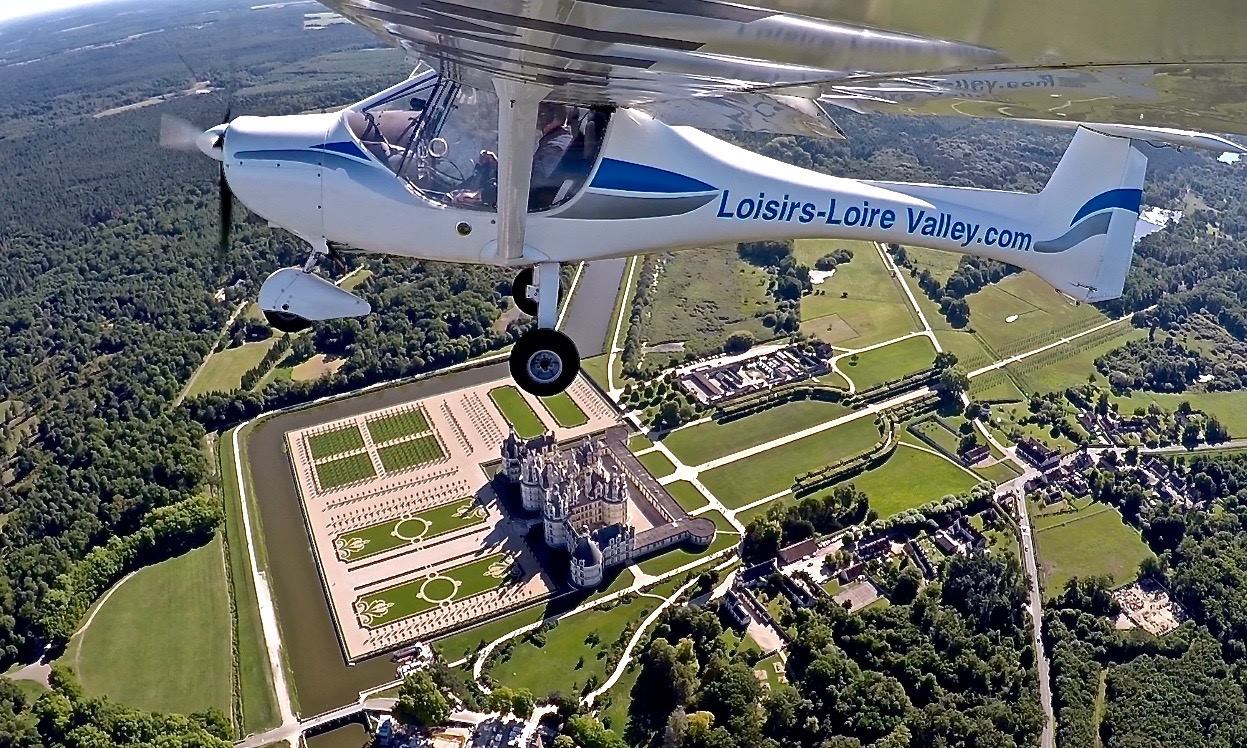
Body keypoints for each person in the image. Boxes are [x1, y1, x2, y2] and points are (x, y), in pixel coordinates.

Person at [452, 102, 575, 209]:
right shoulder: (555, 142)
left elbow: (531, 189)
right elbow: (528, 178)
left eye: (538, 113)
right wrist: (498, 165)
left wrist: (481, 196)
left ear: (546, 117)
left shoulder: (555, 148)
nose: (535, 118)